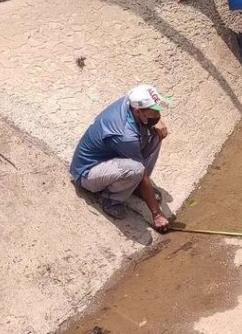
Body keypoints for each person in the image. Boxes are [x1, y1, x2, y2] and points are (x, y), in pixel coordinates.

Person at [70, 84, 174, 233]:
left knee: (157, 134)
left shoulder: (130, 101)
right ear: (138, 112)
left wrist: (155, 121)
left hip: (112, 156)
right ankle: (110, 199)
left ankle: (135, 186)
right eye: (154, 112)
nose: (158, 115)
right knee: (137, 170)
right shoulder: (125, 135)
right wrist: (156, 214)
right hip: (88, 173)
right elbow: (141, 170)